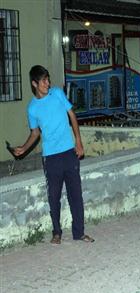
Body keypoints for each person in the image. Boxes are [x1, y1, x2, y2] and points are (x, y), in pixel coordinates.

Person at [12, 65, 94, 244]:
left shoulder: (57, 93)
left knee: (76, 195)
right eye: (43, 81)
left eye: (48, 79)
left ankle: (79, 233)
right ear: (34, 83)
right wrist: (23, 148)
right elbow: (35, 133)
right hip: (51, 157)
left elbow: (72, 115)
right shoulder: (32, 108)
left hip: (69, 152)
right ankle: (56, 232)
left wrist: (78, 141)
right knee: (54, 196)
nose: (47, 83)